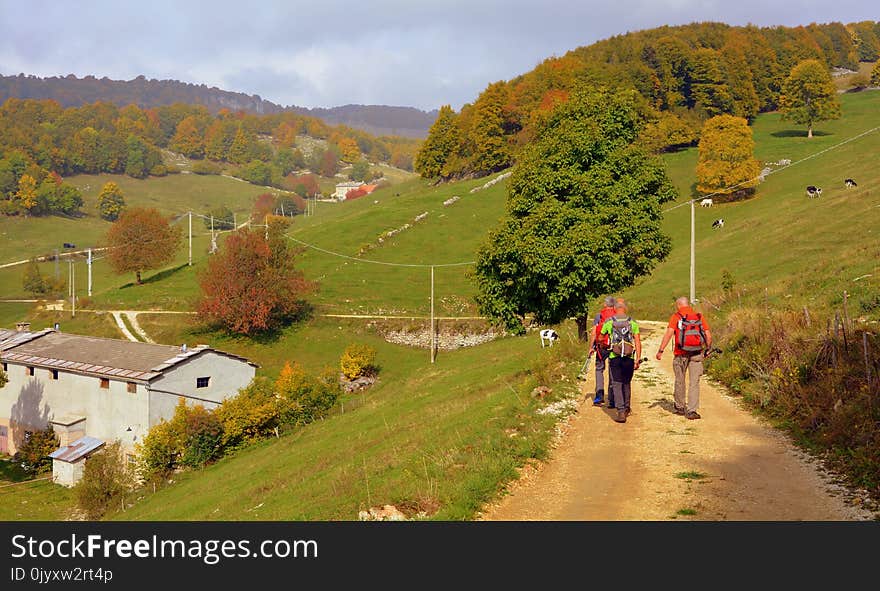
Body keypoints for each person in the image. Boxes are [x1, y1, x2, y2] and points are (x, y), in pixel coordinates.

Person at [655, 296, 712, 420]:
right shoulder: (699, 317)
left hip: (680, 353)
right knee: (694, 383)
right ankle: (692, 410)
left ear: (679, 305)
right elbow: (708, 334)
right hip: (697, 353)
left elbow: (669, 334)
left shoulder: (676, 317)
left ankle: (680, 407)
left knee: (680, 380)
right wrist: (708, 349)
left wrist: (661, 350)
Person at [599, 300, 642, 423]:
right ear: (625, 309)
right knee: (626, 383)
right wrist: (638, 358)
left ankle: (621, 411)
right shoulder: (632, 322)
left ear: (615, 309)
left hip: (614, 356)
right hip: (629, 358)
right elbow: (637, 341)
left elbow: (601, 337)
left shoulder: (609, 322)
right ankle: (627, 407)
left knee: (617, 383)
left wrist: (604, 344)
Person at [588, 296, 617, 406]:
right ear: (613, 305)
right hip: (614, 347)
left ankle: (599, 395)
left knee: (599, 369)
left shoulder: (599, 316)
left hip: (602, 347)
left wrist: (591, 347)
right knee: (612, 371)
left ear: (605, 305)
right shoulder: (616, 316)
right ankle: (612, 398)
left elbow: (594, 332)